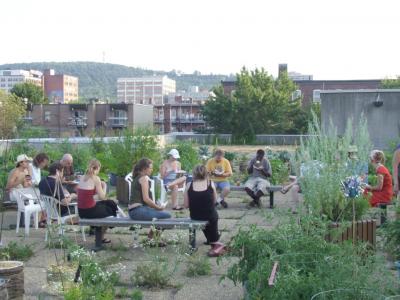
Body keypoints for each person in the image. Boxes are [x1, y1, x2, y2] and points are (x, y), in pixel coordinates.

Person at [184, 164, 224, 256]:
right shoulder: (210, 183)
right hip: (210, 216)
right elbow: (214, 201)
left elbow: (186, 205)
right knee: (213, 240)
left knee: (210, 235)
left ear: (194, 174)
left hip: (196, 216)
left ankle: (214, 239)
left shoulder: (189, 185)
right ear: (206, 174)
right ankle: (215, 241)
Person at [77, 159, 117, 244]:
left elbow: (88, 197)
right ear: (97, 168)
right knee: (110, 209)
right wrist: (104, 185)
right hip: (89, 211)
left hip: (81, 211)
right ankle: (101, 237)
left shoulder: (82, 177)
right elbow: (102, 197)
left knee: (109, 203)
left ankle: (94, 229)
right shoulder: (96, 178)